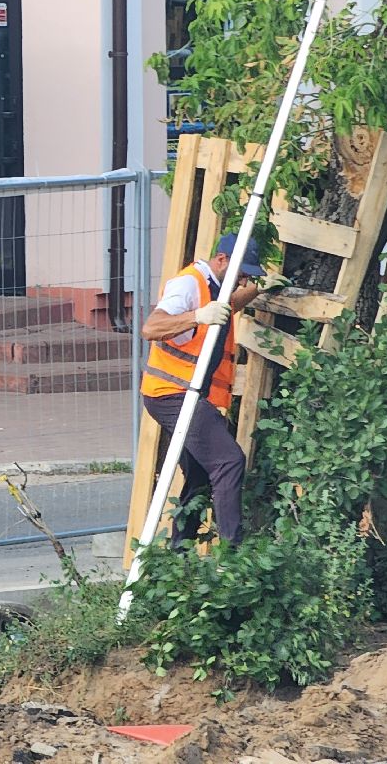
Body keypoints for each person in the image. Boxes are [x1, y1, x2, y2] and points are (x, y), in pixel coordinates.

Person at [139, 232, 264, 546]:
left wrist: (260, 288)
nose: (243, 280)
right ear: (221, 260)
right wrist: (196, 316)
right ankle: (233, 556)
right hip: (171, 392)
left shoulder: (217, 287)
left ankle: (178, 557)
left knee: (198, 475)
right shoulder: (188, 284)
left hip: (183, 392)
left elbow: (230, 305)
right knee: (228, 461)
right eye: (242, 274)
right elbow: (151, 328)